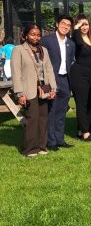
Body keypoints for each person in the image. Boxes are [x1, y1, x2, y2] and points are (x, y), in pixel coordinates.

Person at [11, 25, 57, 157]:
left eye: (38, 34)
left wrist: (53, 88)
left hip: (44, 88)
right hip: (28, 89)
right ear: (25, 35)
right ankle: (29, 149)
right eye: (32, 34)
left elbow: (49, 70)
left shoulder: (44, 50)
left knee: (43, 118)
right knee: (33, 118)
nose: (36, 37)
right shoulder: (18, 50)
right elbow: (16, 73)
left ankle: (41, 146)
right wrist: (19, 93)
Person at [40, 15, 76, 151]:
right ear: (57, 24)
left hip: (65, 79)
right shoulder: (47, 40)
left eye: (68, 25)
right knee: (52, 110)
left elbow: (70, 62)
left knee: (62, 111)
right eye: (63, 23)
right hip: (51, 80)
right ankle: (51, 141)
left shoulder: (71, 43)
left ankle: (60, 139)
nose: (65, 26)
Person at [71, 15, 91, 141]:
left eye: (86, 24)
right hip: (79, 74)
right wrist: (76, 28)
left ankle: (84, 128)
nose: (84, 27)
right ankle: (85, 133)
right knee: (82, 103)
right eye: (81, 25)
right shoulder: (76, 38)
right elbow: (78, 41)